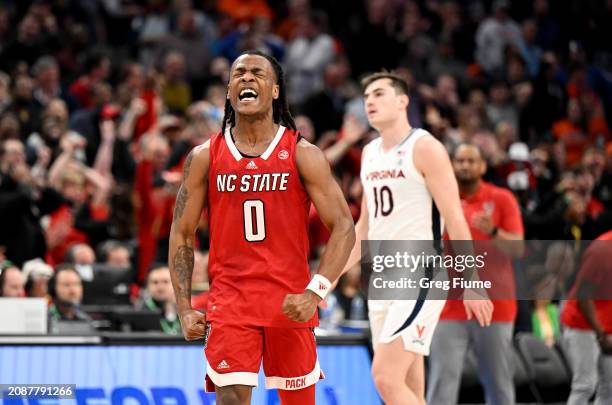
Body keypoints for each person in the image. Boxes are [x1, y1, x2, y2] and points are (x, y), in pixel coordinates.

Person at [168, 50, 355, 405]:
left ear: (275, 90)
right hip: (230, 301)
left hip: (291, 300)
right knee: (232, 399)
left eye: (258, 73)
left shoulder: (303, 153)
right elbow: (181, 232)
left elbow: (344, 226)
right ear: (228, 91)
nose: (247, 78)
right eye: (239, 73)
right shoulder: (205, 156)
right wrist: (184, 306)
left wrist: (315, 292)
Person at [342, 72, 493, 405]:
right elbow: (363, 229)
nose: (370, 101)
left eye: (379, 94)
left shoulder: (425, 148)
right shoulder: (369, 154)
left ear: (402, 101)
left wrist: (472, 279)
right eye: (366, 96)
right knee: (410, 388)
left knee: (384, 377)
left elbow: (455, 217)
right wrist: (325, 279)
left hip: (419, 274)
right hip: (380, 277)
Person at [427, 143, 524, 405]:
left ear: (483, 166)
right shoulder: (438, 199)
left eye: (471, 161)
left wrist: (494, 232)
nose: (465, 166)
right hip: (448, 307)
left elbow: (518, 249)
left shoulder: (501, 199)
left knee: (499, 385)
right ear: (452, 165)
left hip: (495, 306)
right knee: (441, 384)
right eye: (460, 161)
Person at [560, 230, 612, 405]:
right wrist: (601, 334)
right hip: (581, 324)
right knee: (585, 385)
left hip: (607, 323)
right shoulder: (602, 251)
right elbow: (583, 296)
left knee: (610, 387)